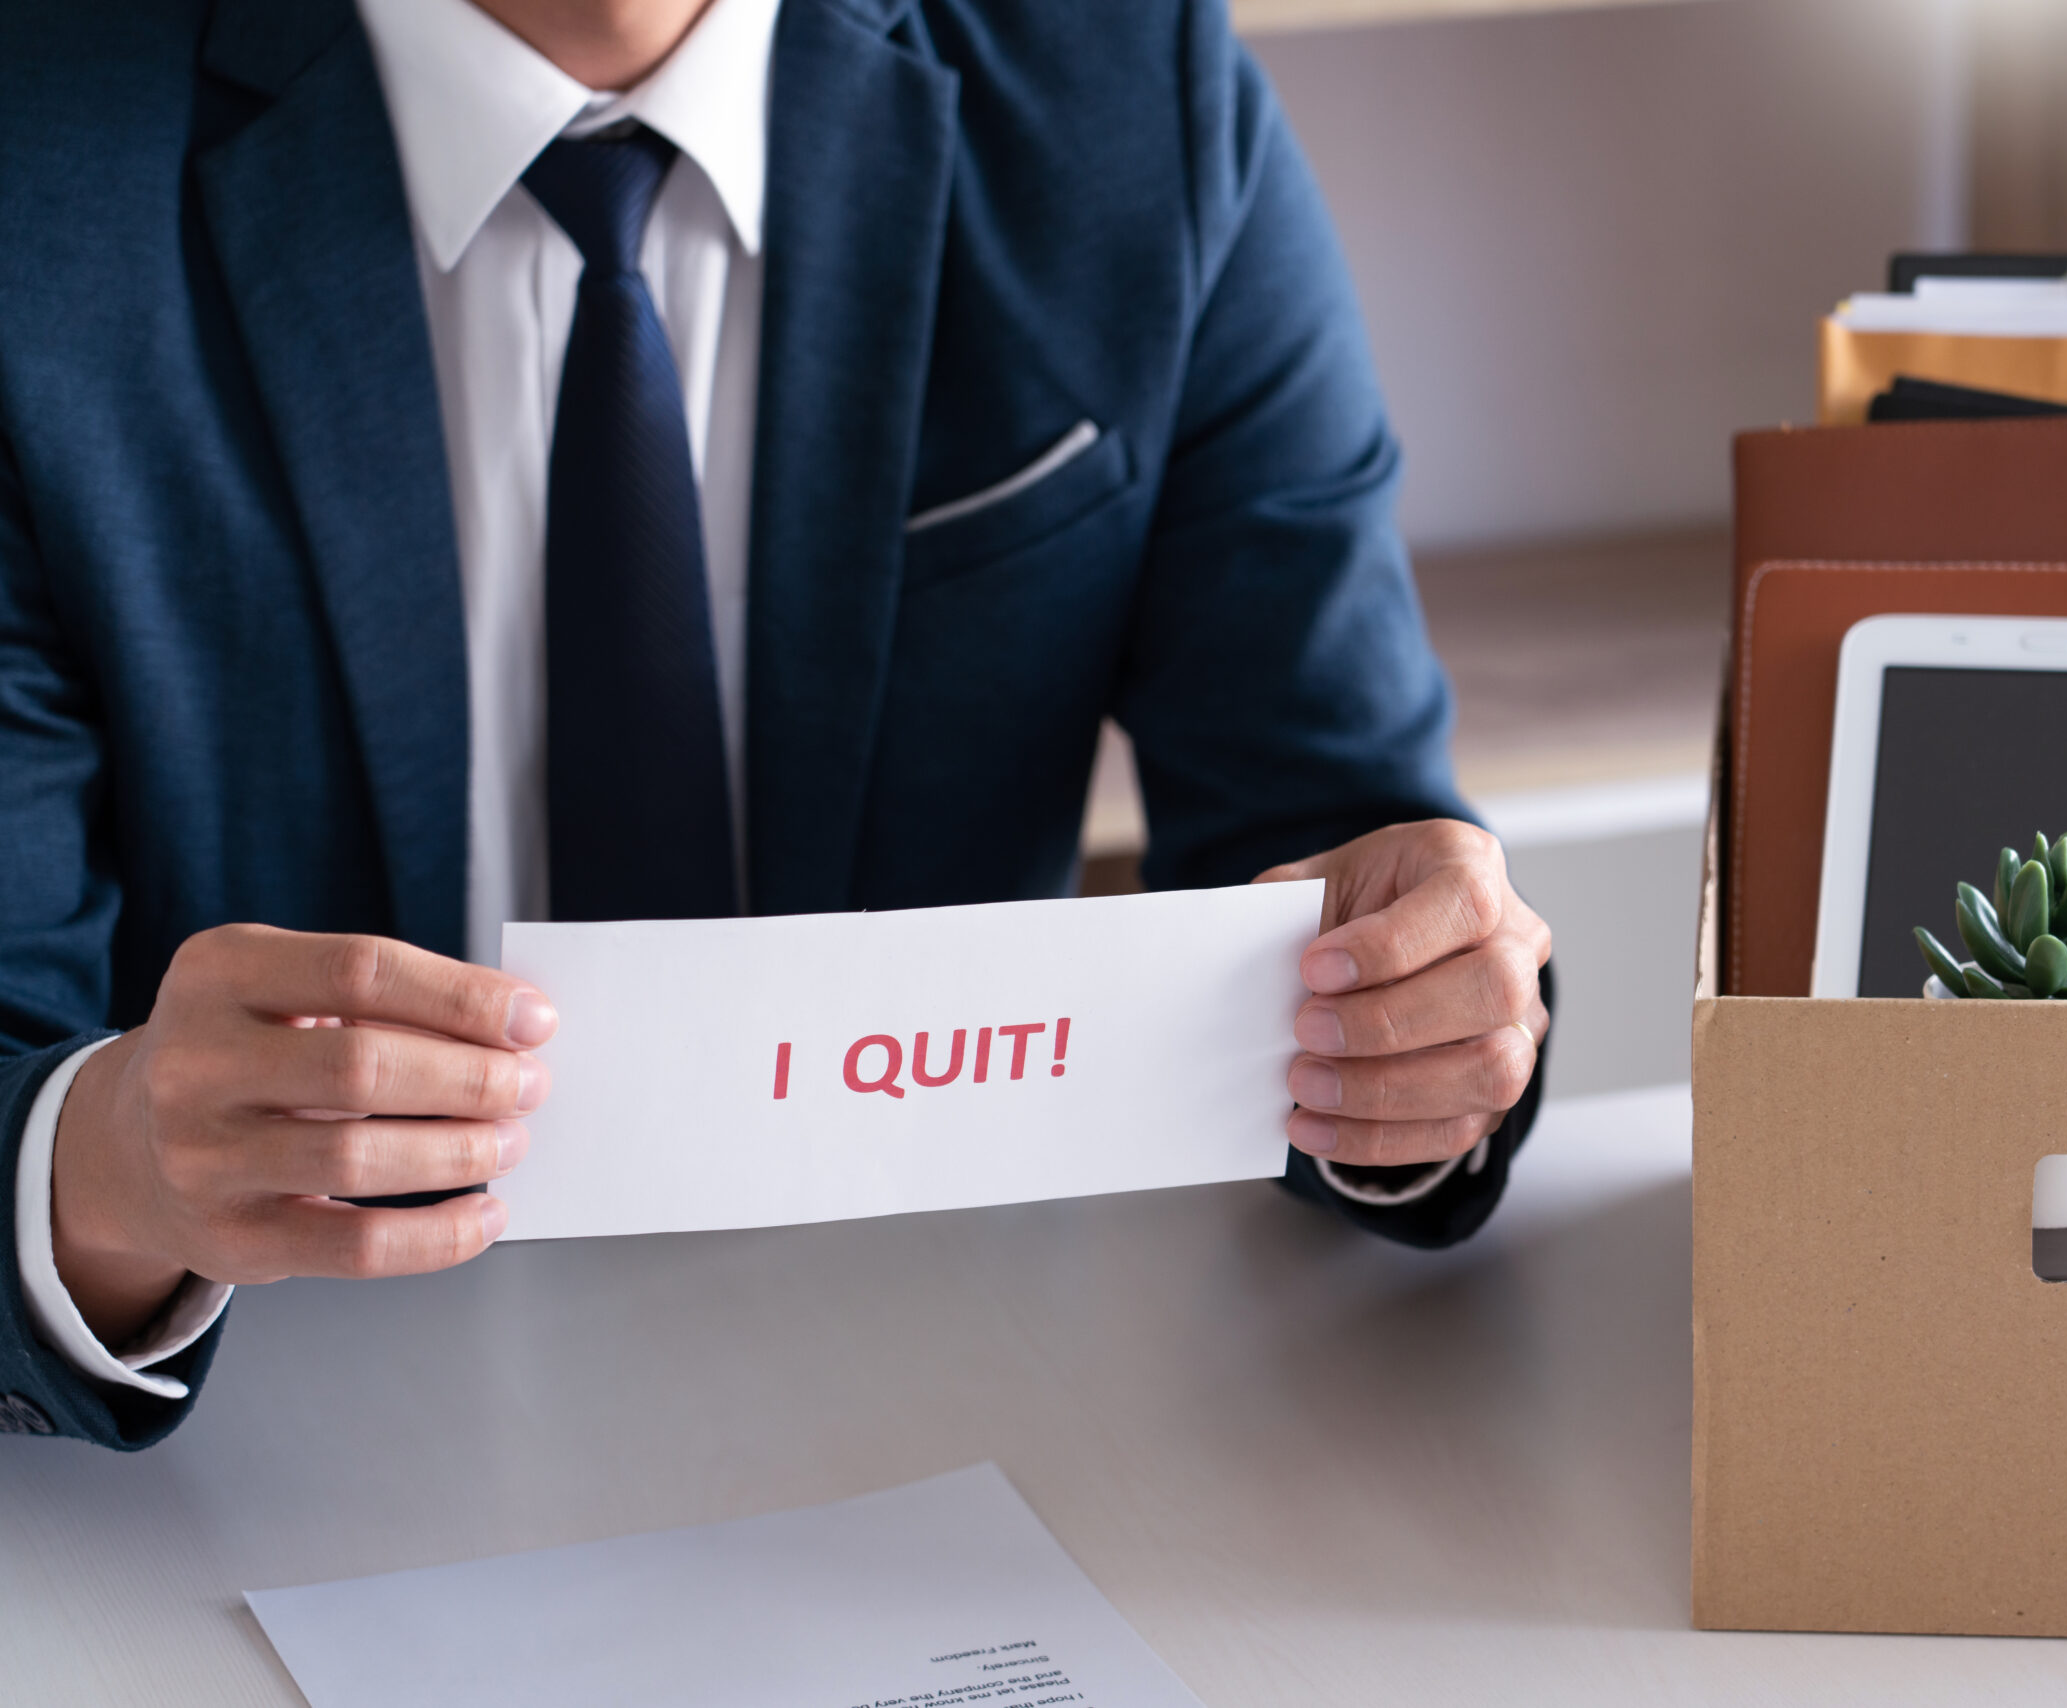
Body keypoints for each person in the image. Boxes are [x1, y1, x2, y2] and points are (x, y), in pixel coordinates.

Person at [0, 0, 1553, 1451]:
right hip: (271, 1439)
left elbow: (1339, 836)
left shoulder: (1121, 87)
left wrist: (1420, 1037)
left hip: (959, 1401)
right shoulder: (44, 149)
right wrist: (113, 1170)